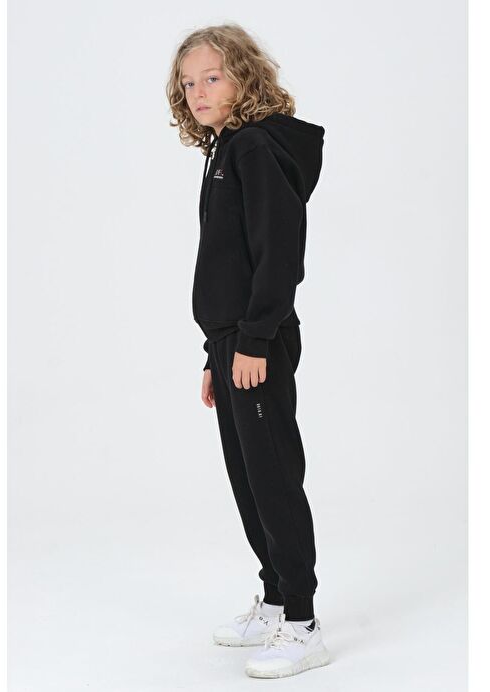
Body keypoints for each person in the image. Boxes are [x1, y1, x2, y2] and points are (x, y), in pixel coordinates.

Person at [166, 23, 330, 678]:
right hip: (232, 341)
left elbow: (277, 253)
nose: (198, 91)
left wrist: (256, 338)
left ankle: (302, 622)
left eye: (212, 77)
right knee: (246, 476)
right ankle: (274, 598)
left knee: (272, 475)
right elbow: (226, 262)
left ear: (244, 77)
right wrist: (217, 352)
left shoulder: (256, 147)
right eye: (188, 82)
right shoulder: (224, 149)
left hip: (257, 339)